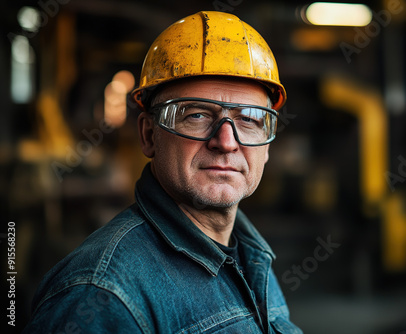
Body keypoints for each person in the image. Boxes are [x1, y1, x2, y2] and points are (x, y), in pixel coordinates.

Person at [24, 11, 302, 333]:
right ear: (148, 135)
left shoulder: (253, 259)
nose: (226, 142)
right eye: (197, 115)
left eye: (250, 120)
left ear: (267, 147)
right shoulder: (100, 294)